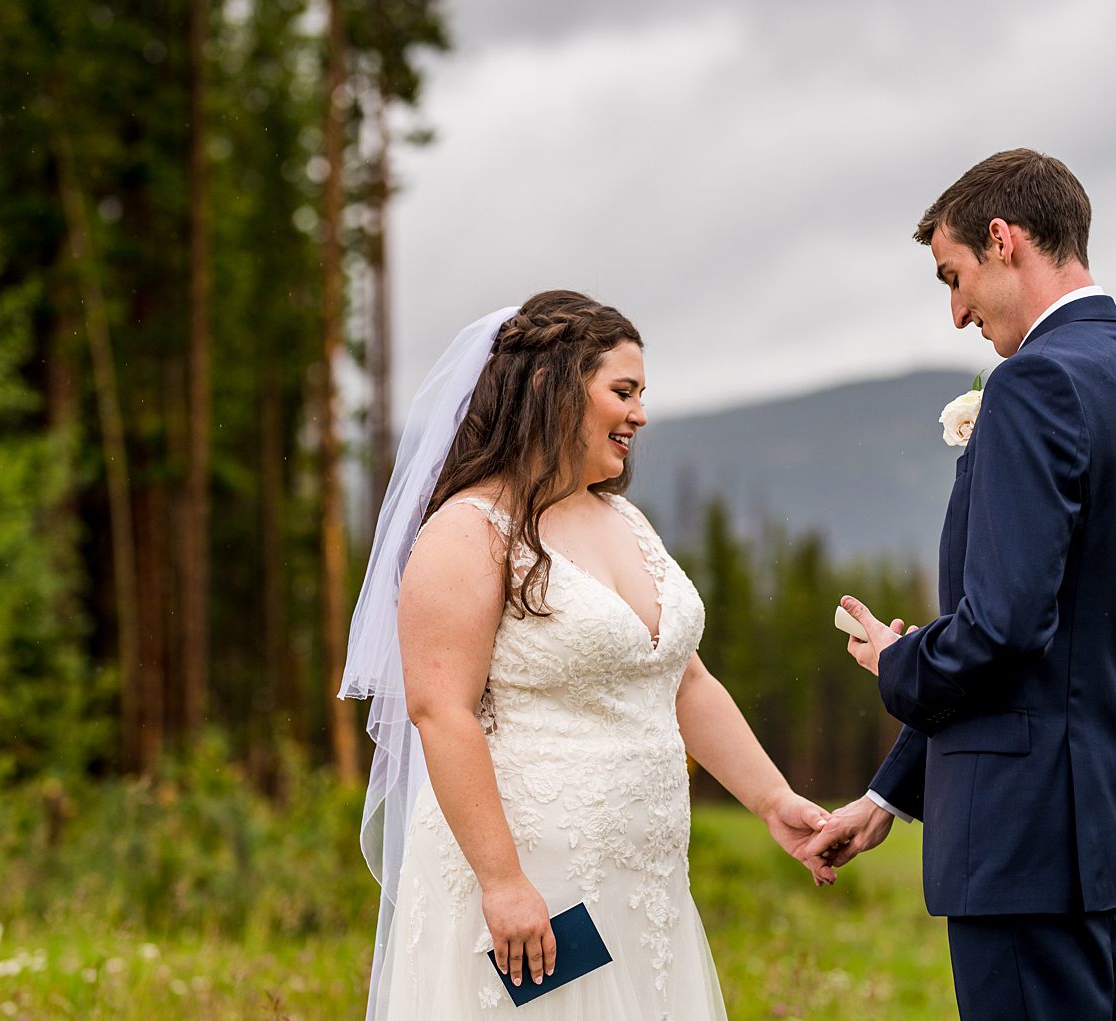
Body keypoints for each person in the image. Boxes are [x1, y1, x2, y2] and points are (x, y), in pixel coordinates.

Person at [342, 290, 849, 1020]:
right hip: (531, 878)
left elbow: (685, 678)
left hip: (644, 878)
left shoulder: (626, 519)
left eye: (642, 394)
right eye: (623, 391)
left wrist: (772, 800)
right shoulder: (468, 530)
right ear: (550, 389)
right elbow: (439, 710)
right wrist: (503, 879)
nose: (640, 413)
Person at [809, 148, 1116, 1021]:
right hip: (1088, 833)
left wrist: (897, 663)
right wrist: (891, 791)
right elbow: (1058, 649)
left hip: (1020, 843)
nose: (955, 311)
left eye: (955, 274)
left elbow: (1006, 629)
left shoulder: (1035, 383)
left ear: (1004, 239)